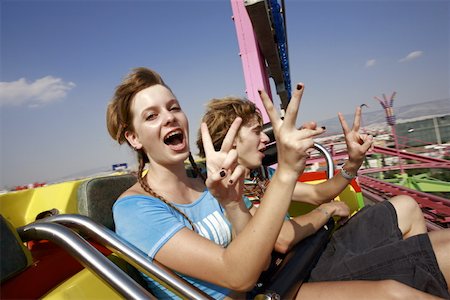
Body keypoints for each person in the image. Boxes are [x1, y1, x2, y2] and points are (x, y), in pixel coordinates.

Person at [106, 67, 443, 299]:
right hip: (270, 289)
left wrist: (234, 203)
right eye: (151, 116)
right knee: (394, 294)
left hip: (279, 280)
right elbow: (237, 274)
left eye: (173, 107)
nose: (168, 117)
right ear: (134, 137)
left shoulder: (206, 184)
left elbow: (260, 257)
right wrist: (287, 173)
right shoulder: (136, 209)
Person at [197, 96, 450, 299]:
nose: (265, 138)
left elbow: (319, 193)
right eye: (255, 132)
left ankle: (412, 266)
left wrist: (353, 162)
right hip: (295, 271)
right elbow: (281, 239)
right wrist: (325, 212)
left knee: (405, 205)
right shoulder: (225, 191)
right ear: (230, 142)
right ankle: (413, 269)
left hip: (314, 247)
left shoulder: (260, 176)